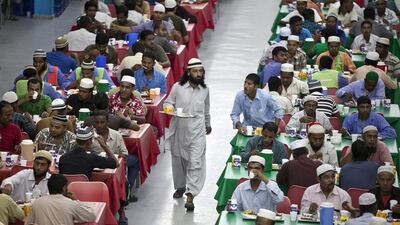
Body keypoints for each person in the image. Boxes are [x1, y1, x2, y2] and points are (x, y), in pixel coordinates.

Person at [164, 58, 211, 211]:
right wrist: (169, 108)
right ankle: (180, 187)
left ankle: (190, 194)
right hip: (179, 130)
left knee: (195, 162)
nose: (198, 74)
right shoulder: (178, 87)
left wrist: (208, 124)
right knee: (178, 161)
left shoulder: (205, 89)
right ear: (189, 72)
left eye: (200, 72)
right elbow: (168, 102)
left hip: (197, 132)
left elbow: (206, 109)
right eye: (195, 71)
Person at [91, 110, 137, 220]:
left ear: (107, 122)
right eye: (97, 123)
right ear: (94, 123)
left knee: (122, 183)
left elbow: (125, 154)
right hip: (97, 169)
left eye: (102, 122)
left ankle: (121, 213)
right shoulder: (90, 137)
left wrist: (117, 156)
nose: (100, 125)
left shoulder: (116, 135)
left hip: (115, 167)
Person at [24, 174, 96, 225]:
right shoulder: (70, 203)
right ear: (64, 188)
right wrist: (76, 200)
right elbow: (91, 216)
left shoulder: (37, 202)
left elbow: (27, 223)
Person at [110, 4, 177, 42]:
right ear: (153, 13)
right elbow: (131, 29)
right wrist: (117, 27)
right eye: (156, 12)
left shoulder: (168, 25)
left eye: (161, 13)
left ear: (164, 15)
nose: (158, 15)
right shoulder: (146, 25)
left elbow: (172, 40)